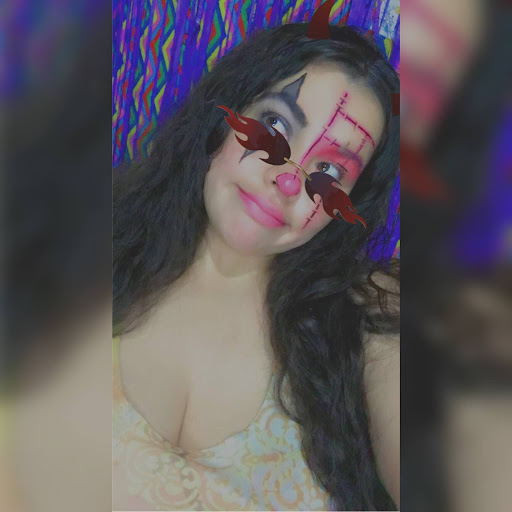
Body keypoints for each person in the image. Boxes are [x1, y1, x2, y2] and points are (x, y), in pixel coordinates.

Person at [113, 22, 399, 511]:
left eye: (330, 171)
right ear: (224, 116)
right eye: (277, 126)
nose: (288, 180)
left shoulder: (364, 317)